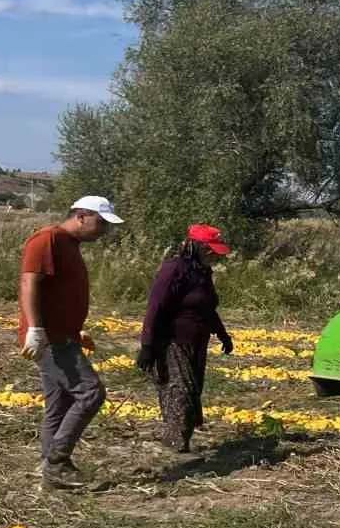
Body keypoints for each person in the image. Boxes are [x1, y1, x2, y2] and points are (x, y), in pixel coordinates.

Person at [19, 195, 124, 489]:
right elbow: (30, 283)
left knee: (60, 403)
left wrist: (75, 329)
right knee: (91, 392)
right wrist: (35, 329)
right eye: (100, 223)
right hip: (50, 339)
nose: (103, 230)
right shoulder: (46, 240)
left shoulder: (70, 245)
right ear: (81, 215)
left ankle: (50, 472)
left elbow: (58, 294)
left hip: (63, 335)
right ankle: (57, 462)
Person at [136, 224, 234, 452]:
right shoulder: (175, 269)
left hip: (197, 342)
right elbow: (155, 307)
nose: (214, 255)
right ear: (196, 246)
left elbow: (207, 308)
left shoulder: (202, 272)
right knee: (180, 392)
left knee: (193, 391)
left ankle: (182, 443)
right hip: (171, 341)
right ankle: (174, 447)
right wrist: (147, 346)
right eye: (210, 250)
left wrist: (222, 334)